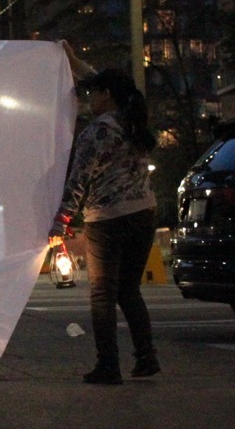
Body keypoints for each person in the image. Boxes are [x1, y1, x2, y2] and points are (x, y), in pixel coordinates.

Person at [49, 41, 160, 385]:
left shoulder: (97, 132)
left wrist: (60, 222)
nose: (87, 99)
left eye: (93, 94)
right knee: (129, 290)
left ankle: (108, 365)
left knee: (102, 293)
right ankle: (146, 358)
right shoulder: (133, 121)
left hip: (108, 219)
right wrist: (76, 62)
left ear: (106, 95)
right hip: (144, 213)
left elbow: (79, 181)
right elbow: (108, 82)